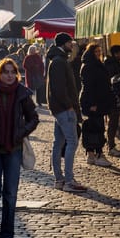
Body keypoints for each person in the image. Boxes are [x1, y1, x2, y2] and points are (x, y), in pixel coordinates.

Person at [0, 58, 39, 238]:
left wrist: (21, 133)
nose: (9, 75)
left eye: (12, 72)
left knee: (10, 193)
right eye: (5, 72)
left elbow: (34, 118)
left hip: (13, 148)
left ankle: (7, 234)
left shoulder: (22, 93)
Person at [46, 32, 86, 192]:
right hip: (64, 108)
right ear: (64, 44)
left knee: (59, 143)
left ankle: (60, 180)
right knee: (72, 142)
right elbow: (59, 88)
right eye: (70, 43)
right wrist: (69, 106)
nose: (72, 45)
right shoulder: (58, 62)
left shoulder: (59, 60)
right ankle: (68, 181)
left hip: (60, 108)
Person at [79, 43, 112, 167]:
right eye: (96, 51)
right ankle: (98, 153)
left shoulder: (96, 64)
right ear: (90, 53)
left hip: (98, 101)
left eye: (99, 51)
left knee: (93, 127)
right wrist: (92, 103)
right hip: (93, 102)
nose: (98, 53)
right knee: (97, 128)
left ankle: (91, 154)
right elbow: (89, 86)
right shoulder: (89, 66)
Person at [103, 44, 120, 157]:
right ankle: (110, 146)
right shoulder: (112, 65)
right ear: (116, 53)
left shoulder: (112, 63)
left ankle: (110, 144)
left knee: (113, 122)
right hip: (112, 97)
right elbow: (113, 81)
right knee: (113, 121)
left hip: (111, 97)